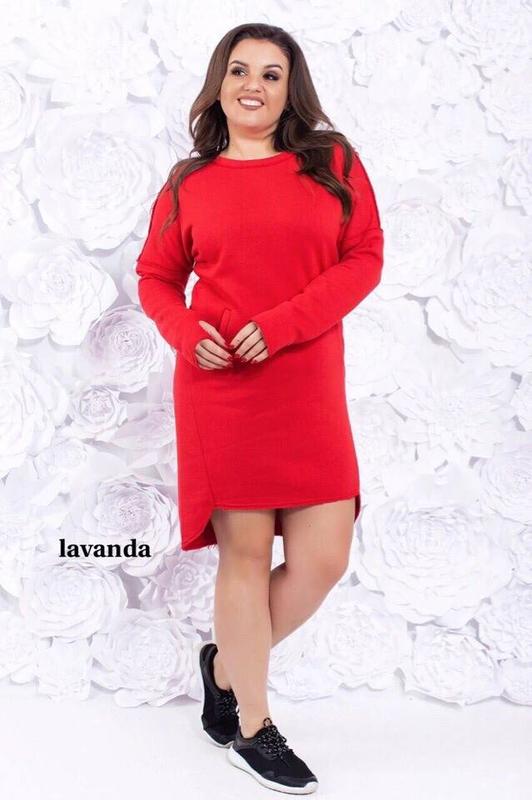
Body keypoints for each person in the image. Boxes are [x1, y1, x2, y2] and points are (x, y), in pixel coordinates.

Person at [135, 22, 384, 795]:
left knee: (322, 560)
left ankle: (223, 667)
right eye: (239, 70)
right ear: (219, 84)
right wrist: (186, 333)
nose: (253, 85)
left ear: (289, 90)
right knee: (243, 557)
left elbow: (365, 258)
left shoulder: (332, 162)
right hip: (222, 392)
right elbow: (154, 276)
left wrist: (280, 326)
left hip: (307, 383)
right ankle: (252, 725)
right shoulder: (190, 183)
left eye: (271, 74)